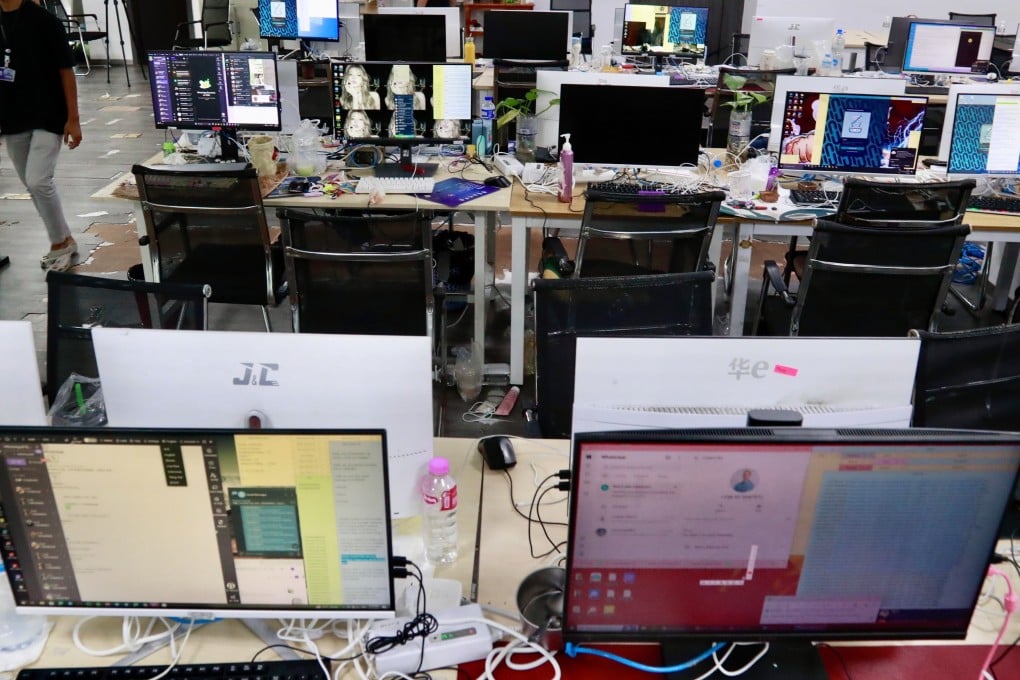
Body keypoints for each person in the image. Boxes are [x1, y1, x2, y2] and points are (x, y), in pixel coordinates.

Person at [0, 0, 82, 272]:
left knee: (38, 180)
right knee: (31, 183)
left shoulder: (44, 21)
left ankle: (59, 243)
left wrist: (73, 119)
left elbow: (66, 71)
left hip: (49, 114)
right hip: (12, 118)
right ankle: (65, 238)